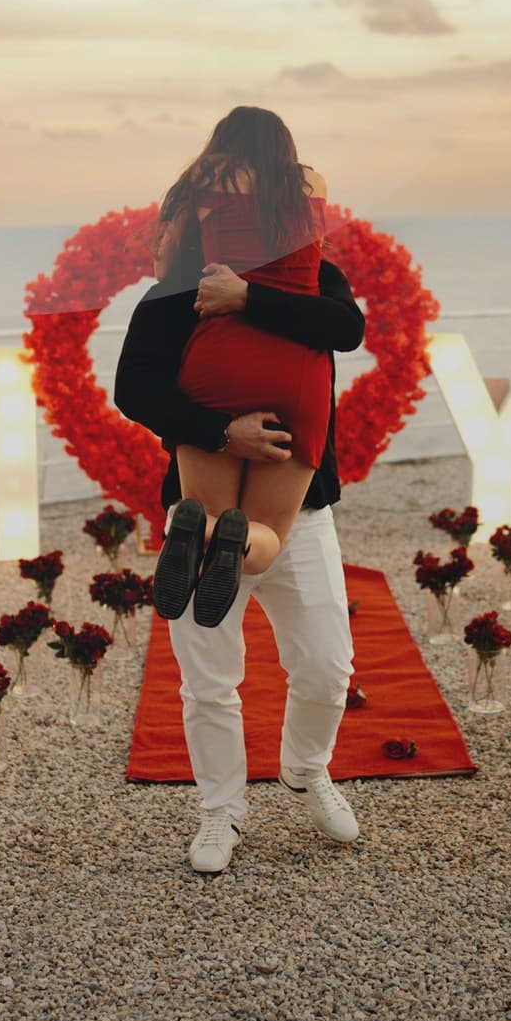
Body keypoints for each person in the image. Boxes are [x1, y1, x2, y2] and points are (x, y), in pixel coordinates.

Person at [114, 222, 366, 873]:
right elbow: (134, 388)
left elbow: (347, 328)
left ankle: (306, 769)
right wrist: (223, 432)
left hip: (301, 513)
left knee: (327, 668)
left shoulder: (314, 276)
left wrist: (248, 297)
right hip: (201, 514)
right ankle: (220, 809)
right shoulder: (178, 291)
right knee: (208, 680)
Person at [146, 107, 332, 631]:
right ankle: (236, 538)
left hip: (219, 354)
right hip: (296, 367)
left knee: (205, 507)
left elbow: (166, 268)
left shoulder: (203, 178)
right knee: (267, 534)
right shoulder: (310, 182)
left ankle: (196, 525)